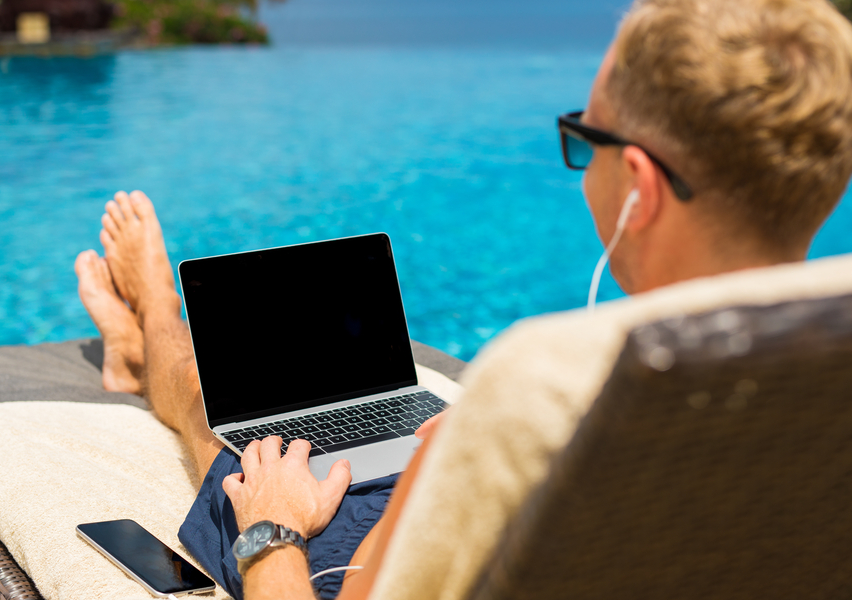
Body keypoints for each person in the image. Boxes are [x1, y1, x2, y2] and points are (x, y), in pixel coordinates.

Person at [73, 0, 852, 598]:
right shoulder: (817, 383)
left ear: (639, 189)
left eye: (585, 137)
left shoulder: (546, 383)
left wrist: (273, 530)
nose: (583, 160)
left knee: (241, 454)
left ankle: (154, 322)